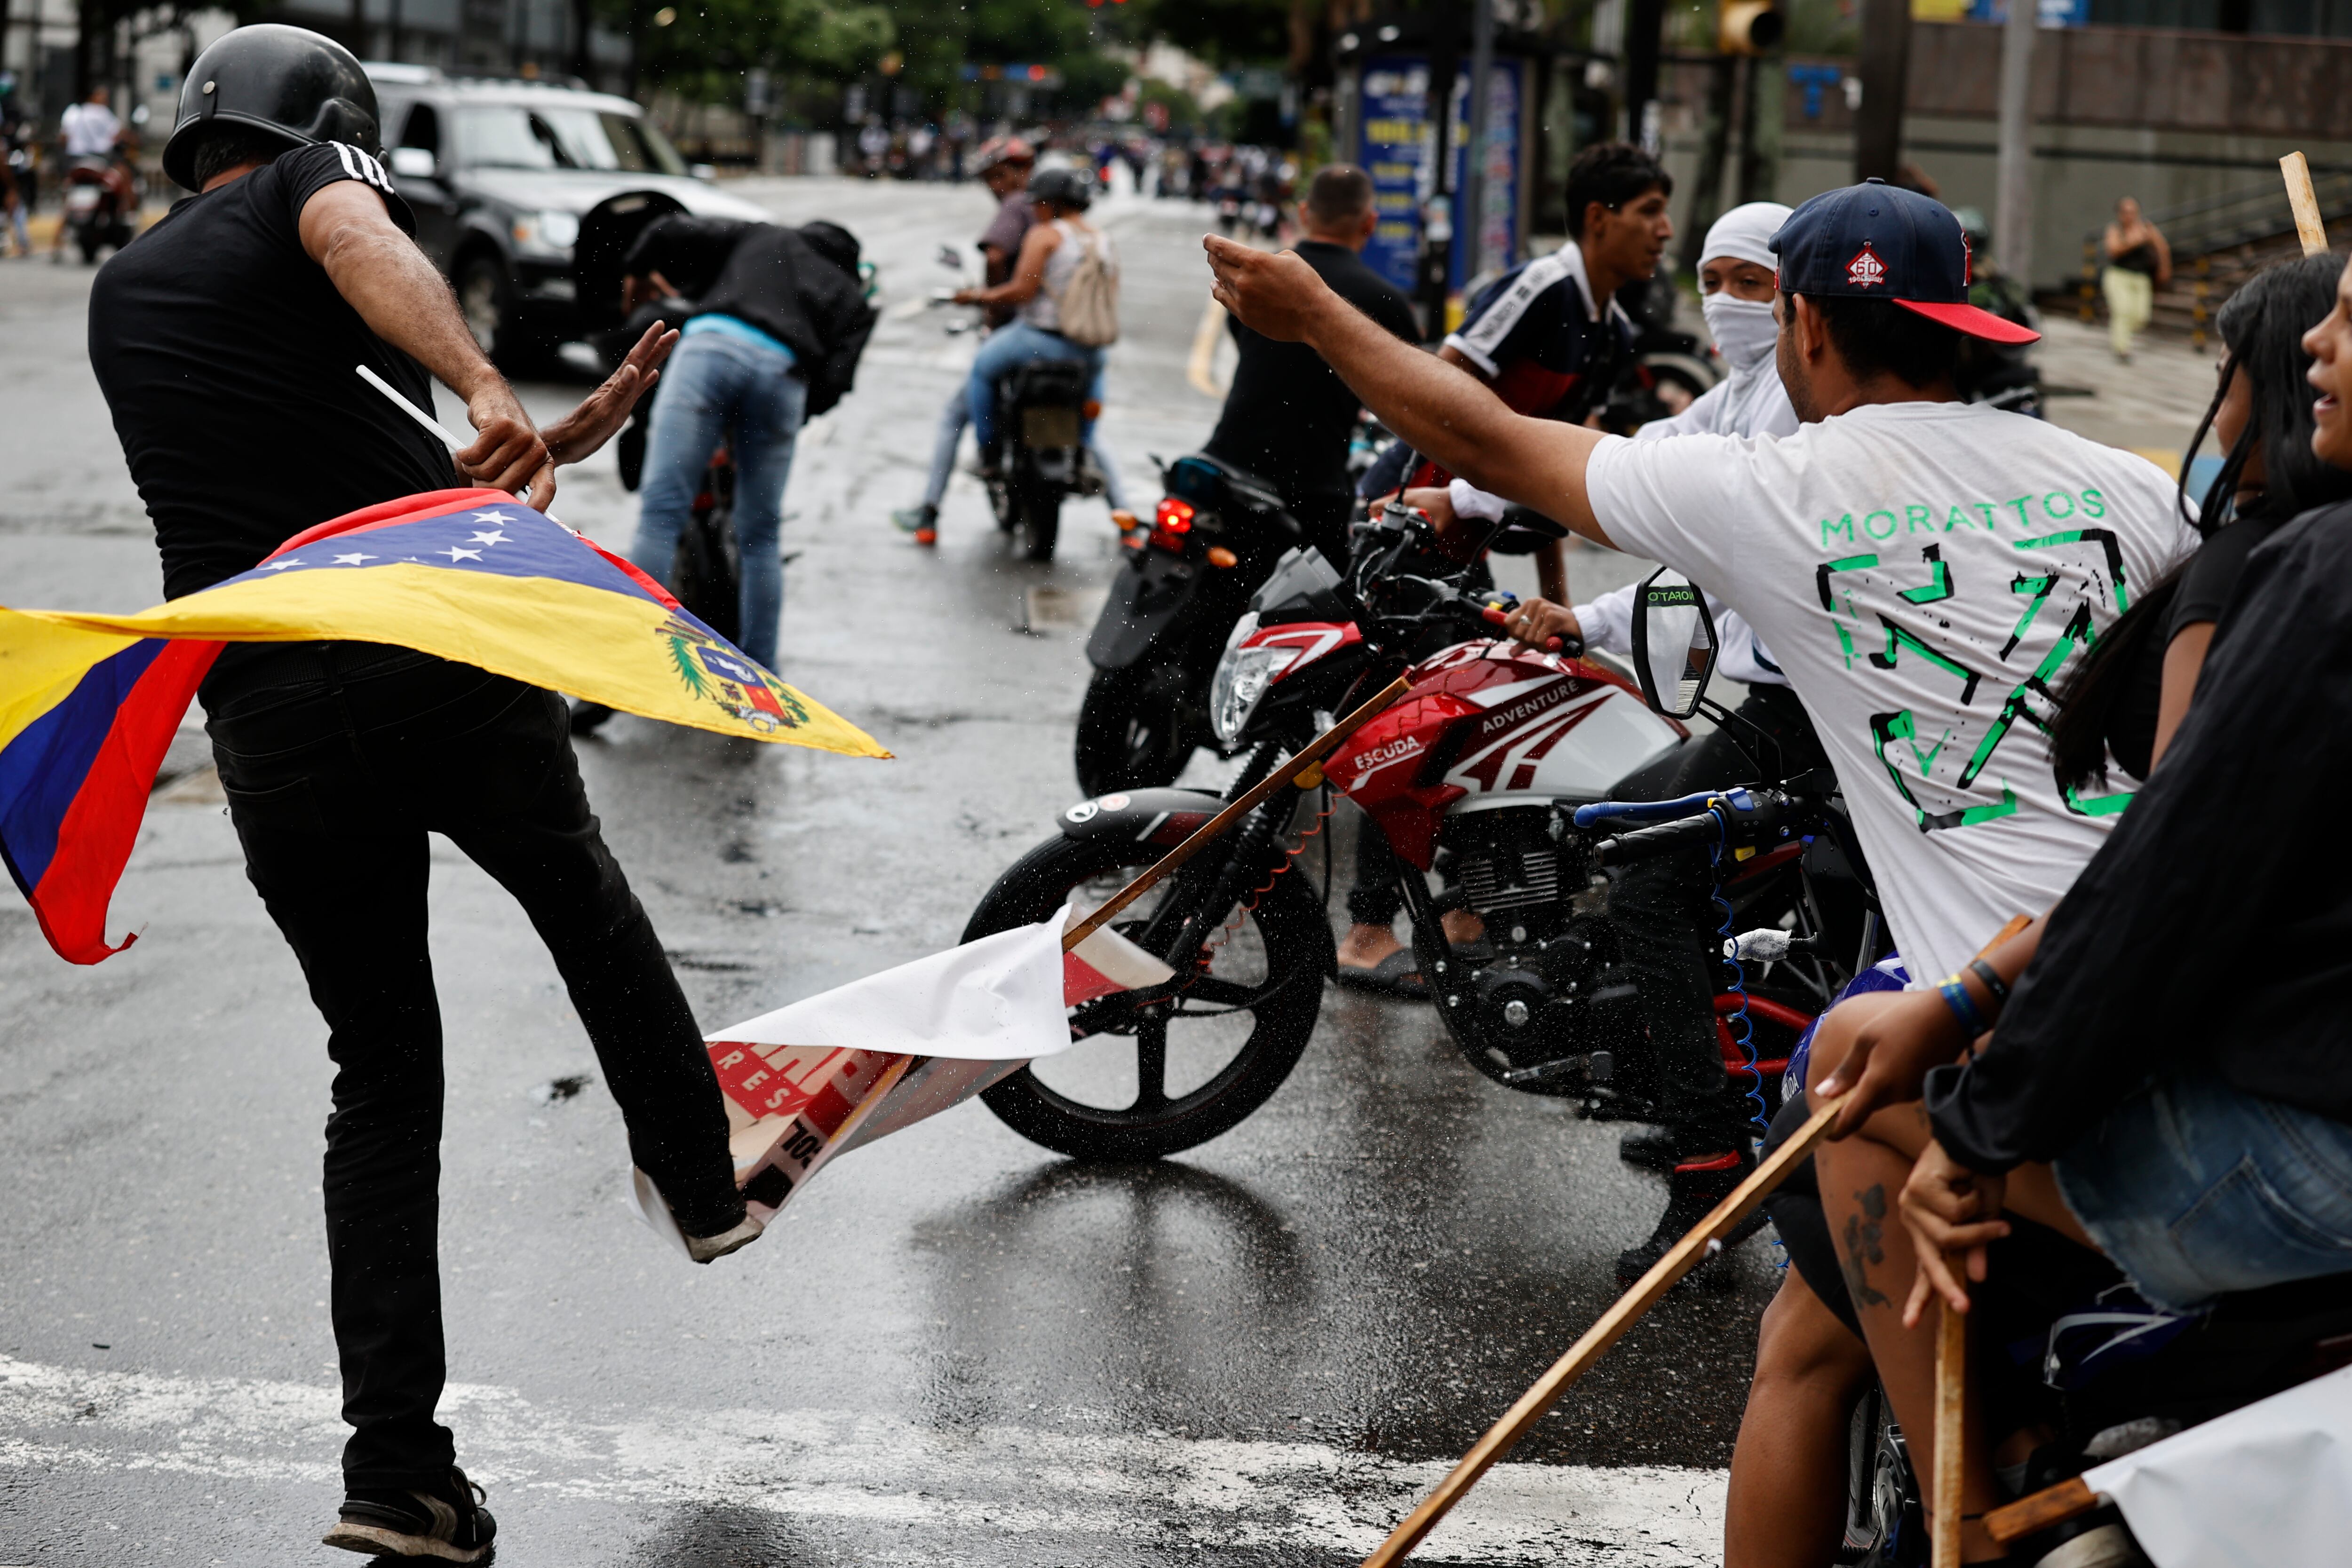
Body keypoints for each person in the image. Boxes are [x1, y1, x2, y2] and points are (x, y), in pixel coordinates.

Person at [1208, 178, 2197, 1302]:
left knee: (1638, 859)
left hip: (1995, 1021)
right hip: (2158, 951)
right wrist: (1520, 562)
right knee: (1808, 1346)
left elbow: (1488, 436)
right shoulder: (2131, 484)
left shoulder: (1780, 486)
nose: (1736, 313)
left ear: (1806, 322)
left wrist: (1316, 314)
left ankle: (1706, 1164)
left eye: (1757, 296)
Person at [84, 25, 754, 1561]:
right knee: (578, 893)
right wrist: (480, 367)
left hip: (264, 713)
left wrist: (541, 438)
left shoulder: (129, 291)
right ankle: (706, 1180)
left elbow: (358, 468)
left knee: (381, 1072)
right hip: (417, 658)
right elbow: (350, 229)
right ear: (329, 129)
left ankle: (398, 1473)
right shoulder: (315, 191)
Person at [1793, 250, 2352, 1564]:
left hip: (2309, 1175)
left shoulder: (2312, 567)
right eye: (2320, 319)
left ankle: (1969, 1513)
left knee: (1854, 1088)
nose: (2321, 347)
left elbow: (2171, 878)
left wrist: (1985, 1126)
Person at [1336, 142, 1671, 993]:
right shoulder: (1536, 291)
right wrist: (1415, 517)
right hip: (1409, 524)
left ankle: (1465, 909)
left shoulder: (1615, 330)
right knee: (1410, 723)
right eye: (1650, 213)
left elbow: (1554, 471)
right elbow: (1431, 390)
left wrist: (1562, 614)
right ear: (1599, 219)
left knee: (1499, 708)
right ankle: (1369, 929)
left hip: (1472, 543)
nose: (1665, 231)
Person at [604, 206, 877, 679]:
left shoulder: (765, 237)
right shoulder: (852, 300)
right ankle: (761, 677)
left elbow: (670, 229)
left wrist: (635, 272)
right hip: (783, 374)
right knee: (761, 536)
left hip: (712, 349)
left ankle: (626, 672)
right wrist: (787, 411)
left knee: (661, 513)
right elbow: (833, 383)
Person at [1200, 163, 1418, 566]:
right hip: (1313, 490)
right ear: (1369, 223)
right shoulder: (1386, 302)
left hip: (1225, 464)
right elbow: (1411, 388)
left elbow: (1243, 336)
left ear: (1303, 213)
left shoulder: (1257, 279)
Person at [891, 136, 1035, 544]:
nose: (993, 186)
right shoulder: (1055, 214)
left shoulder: (1016, 206)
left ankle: (932, 511)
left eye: (996, 177)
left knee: (957, 412)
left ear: (1010, 174)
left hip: (1018, 332)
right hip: (1067, 340)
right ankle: (1126, 519)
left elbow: (994, 258)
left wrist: (992, 306)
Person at [953, 166, 1123, 506]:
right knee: (1092, 386)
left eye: (1039, 203)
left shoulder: (1045, 235)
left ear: (1053, 203)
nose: (1035, 210)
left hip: (1038, 340)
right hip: (1088, 348)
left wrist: (978, 297)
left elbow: (1022, 292)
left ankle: (988, 455)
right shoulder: (1102, 240)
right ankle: (1083, 453)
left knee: (982, 370)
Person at [50, 83, 124, 260]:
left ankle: (56, 244)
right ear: (94, 97)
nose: (105, 100)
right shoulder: (103, 114)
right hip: (100, 162)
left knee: (68, 203)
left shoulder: (74, 113)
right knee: (122, 181)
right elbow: (117, 134)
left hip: (76, 163)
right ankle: (125, 217)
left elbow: (63, 138)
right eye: (102, 96)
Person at [2102, 196, 2170, 363]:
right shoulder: (2115, 229)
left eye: (2132, 212)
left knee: (2141, 316)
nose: (2129, 216)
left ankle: (2121, 334)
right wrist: (2134, 241)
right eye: (2125, 212)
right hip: (2119, 276)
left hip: (2141, 278)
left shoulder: (2147, 228)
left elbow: (2162, 247)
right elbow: (2113, 250)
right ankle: (2122, 349)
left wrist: (2165, 268)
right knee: (2122, 311)